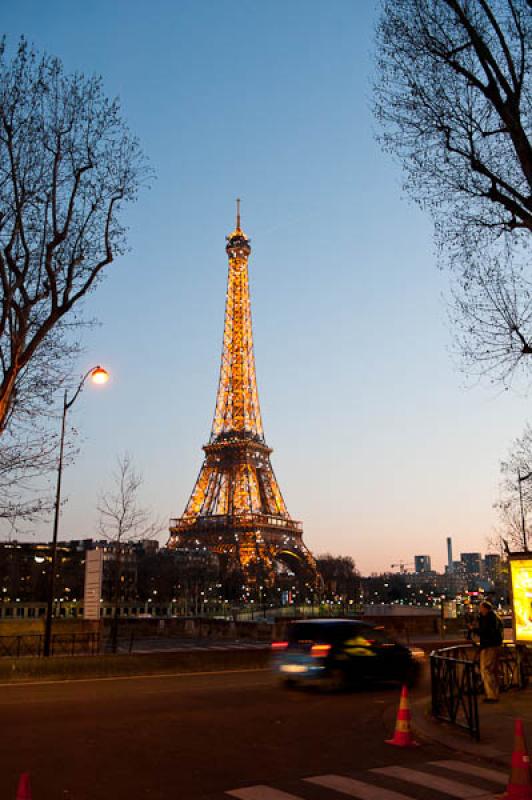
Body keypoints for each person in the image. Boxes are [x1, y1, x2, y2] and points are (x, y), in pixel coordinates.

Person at [469, 601, 504, 703]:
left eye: (481, 608)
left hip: (489, 646)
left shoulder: (489, 618)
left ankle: (491, 695)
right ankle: (495, 693)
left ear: (485, 609)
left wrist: (474, 629)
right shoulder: (495, 617)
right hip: (495, 645)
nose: (480, 610)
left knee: (486, 670)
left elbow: (485, 632)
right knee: (493, 670)